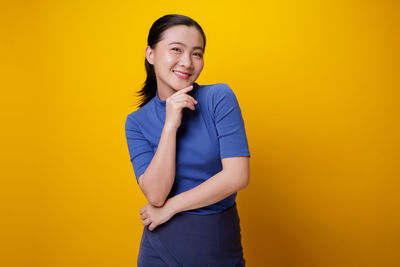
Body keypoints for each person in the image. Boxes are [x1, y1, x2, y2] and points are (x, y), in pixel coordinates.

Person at [125, 14, 251, 267]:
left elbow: (237, 177)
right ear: (151, 54)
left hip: (217, 245)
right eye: (176, 50)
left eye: (196, 53)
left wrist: (170, 208)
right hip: (160, 248)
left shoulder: (219, 98)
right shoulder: (136, 122)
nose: (187, 62)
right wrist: (170, 125)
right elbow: (156, 195)